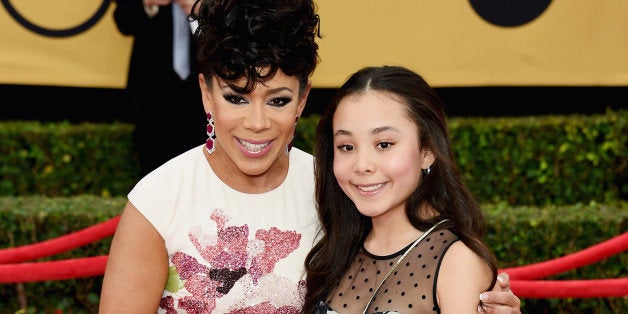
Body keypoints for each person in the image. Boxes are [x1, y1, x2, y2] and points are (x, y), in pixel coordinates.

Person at [100, 0, 521, 312]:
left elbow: (410, 268)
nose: (258, 123)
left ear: (303, 98)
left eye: (278, 100)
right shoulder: (159, 199)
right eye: (236, 98)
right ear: (206, 93)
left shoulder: (339, 186)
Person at [304, 65, 517, 313]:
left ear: (427, 151)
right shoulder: (335, 250)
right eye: (347, 147)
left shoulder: (457, 262)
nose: (362, 165)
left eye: (384, 144)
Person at [113, 0, 207, 176]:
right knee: (152, 170)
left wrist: (203, 9)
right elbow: (124, 21)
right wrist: (148, 3)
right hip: (152, 93)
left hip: (206, 90)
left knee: (203, 170)